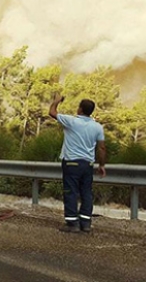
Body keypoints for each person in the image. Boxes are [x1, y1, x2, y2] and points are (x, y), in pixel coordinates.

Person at [49, 94, 106, 233]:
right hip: (88, 165)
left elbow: (52, 112)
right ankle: (85, 223)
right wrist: (102, 165)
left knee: (71, 192)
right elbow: (102, 148)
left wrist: (56, 101)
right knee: (86, 193)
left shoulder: (71, 121)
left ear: (80, 109)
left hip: (72, 163)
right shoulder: (98, 127)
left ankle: (72, 223)